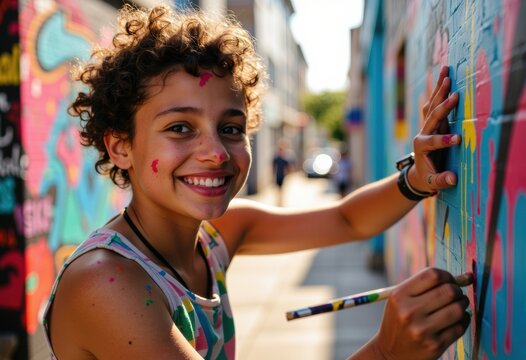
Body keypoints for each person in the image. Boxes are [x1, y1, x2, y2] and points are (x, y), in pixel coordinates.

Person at [42, 4, 470, 360]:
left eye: (230, 128)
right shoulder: (106, 283)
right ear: (120, 147)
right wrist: (387, 353)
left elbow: (346, 220)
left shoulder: (215, 236)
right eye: (179, 128)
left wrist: (416, 177)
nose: (216, 152)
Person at [272, 139, 292, 205]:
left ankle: (281, 200)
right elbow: (273, 166)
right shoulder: (276, 158)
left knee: (281, 188)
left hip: (282, 175)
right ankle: (279, 200)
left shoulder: (284, 158)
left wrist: (288, 173)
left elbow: (288, 166)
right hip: (278, 175)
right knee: (278, 188)